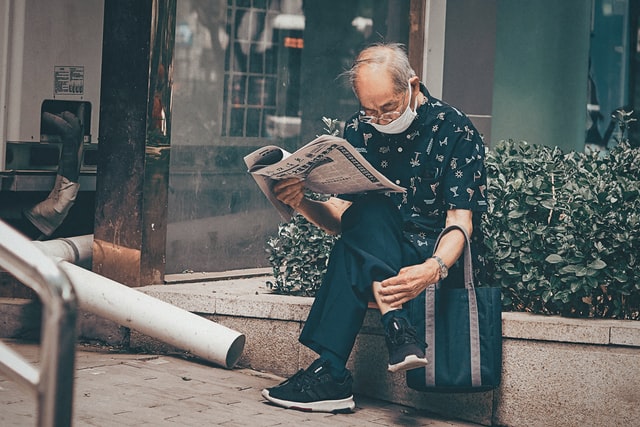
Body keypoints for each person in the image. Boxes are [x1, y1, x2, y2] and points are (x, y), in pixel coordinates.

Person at [262, 43, 487, 413]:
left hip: (428, 256)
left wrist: (431, 270)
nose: (380, 120)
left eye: (388, 109)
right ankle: (397, 327)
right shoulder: (358, 130)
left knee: (363, 230)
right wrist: (301, 200)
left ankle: (332, 374)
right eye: (370, 111)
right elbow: (339, 219)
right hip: (375, 246)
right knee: (368, 213)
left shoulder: (456, 129)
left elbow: (460, 223)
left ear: (413, 87)